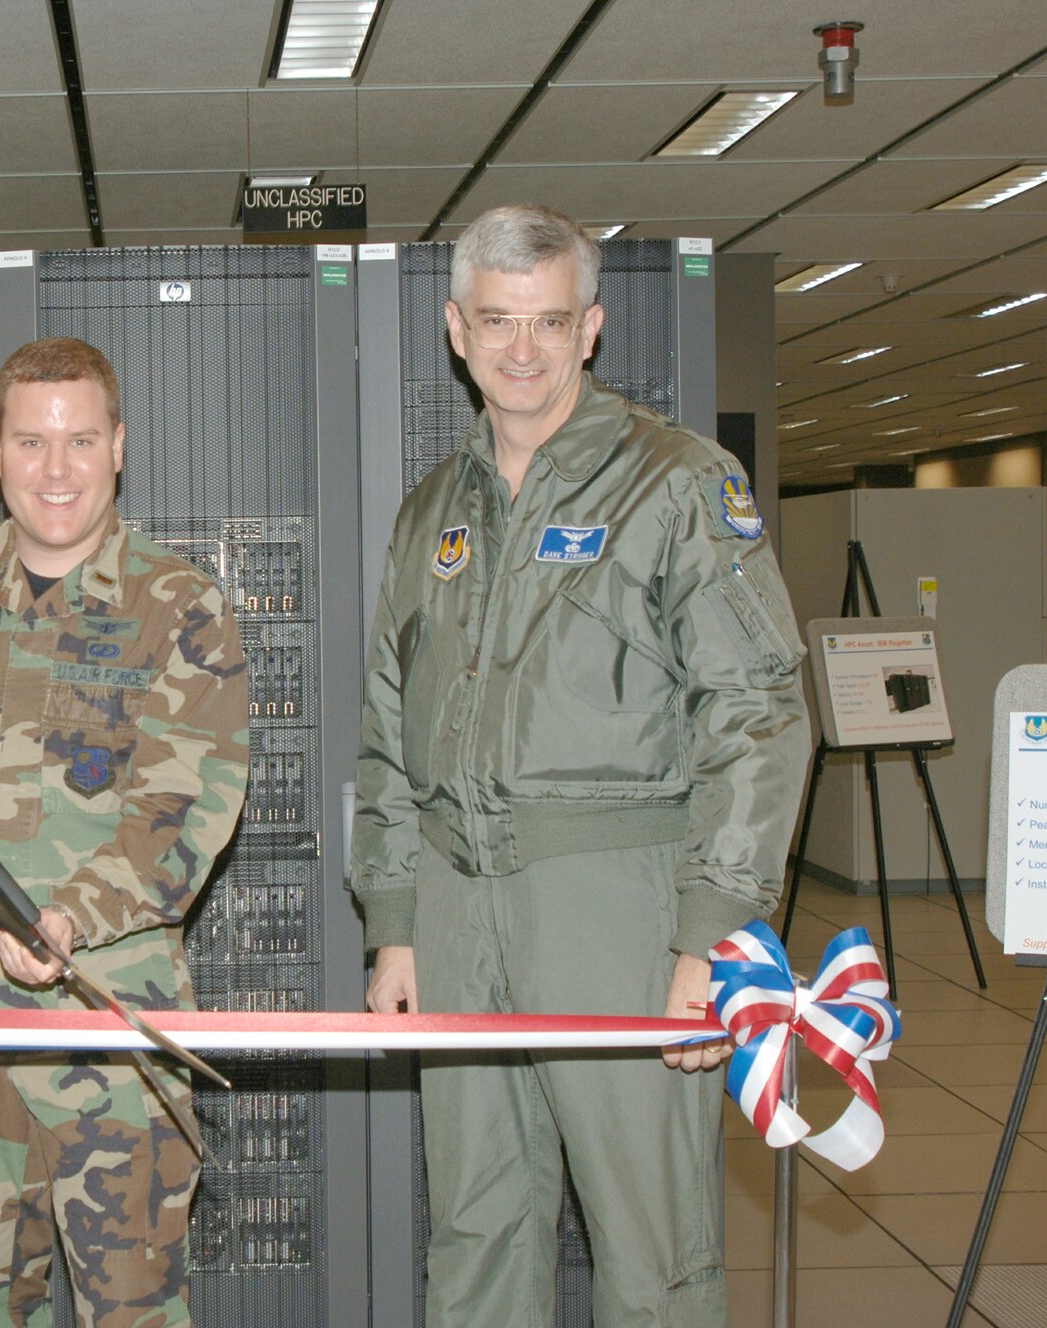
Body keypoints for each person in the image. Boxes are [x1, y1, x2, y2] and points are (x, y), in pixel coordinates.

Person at [352, 205, 809, 1327]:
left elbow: (757, 710)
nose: (522, 348)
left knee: (650, 1244)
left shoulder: (676, 484)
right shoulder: (428, 513)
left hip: (618, 906)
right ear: (454, 328)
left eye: (547, 321)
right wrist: (396, 921)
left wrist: (714, 935)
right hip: (457, 911)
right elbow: (383, 729)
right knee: (475, 1227)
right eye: (497, 321)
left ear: (590, 326)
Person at [0, 336, 250, 1327]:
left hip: (104, 1025)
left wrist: (65, 918)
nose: (54, 469)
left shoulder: (178, 603)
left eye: (77, 440)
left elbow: (183, 814)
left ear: (119, 445)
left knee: (132, 1308)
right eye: (30, 441)